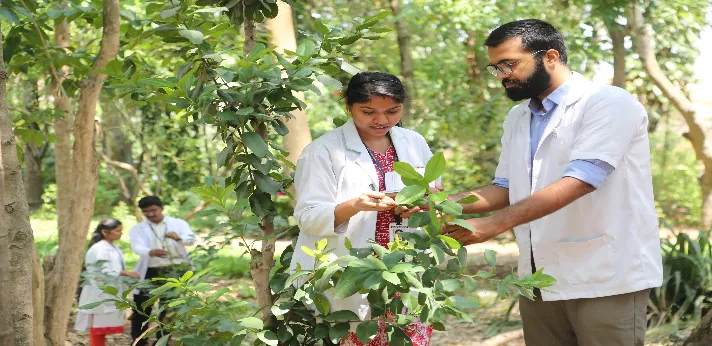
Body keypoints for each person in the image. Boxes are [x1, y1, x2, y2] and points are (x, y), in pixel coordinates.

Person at [441, 19, 663, 346]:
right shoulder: (518, 117)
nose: (502, 75)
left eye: (510, 64)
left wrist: (494, 225)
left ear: (551, 57)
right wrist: (437, 206)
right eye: (496, 68)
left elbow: (582, 180)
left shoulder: (608, 102)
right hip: (538, 277)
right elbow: (503, 187)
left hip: (605, 274)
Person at [290, 71, 434, 346]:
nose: (382, 121)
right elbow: (308, 218)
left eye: (393, 111)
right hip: (352, 273)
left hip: (404, 270)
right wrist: (356, 205)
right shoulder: (322, 151)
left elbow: (430, 194)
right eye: (368, 112)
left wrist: (419, 204)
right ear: (348, 107)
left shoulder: (413, 142)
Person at [129, 196, 196, 346]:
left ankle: (162, 341)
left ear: (162, 208)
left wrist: (179, 238)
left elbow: (191, 239)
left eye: (153, 210)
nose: (150, 214)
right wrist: (150, 251)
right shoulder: (137, 228)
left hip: (175, 270)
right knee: (142, 307)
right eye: (146, 212)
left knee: (168, 308)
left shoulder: (178, 223)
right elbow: (136, 247)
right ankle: (138, 341)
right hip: (150, 270)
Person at [75, 218, 140, 346]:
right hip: (98, 291)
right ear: (105, 232)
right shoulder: (99, 249)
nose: (121, 233)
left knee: (102, 325)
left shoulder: (113, 247)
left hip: (109, 291)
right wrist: (125, 273)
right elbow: (103, 271)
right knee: (97, 326)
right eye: (117, 231)